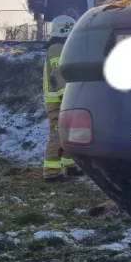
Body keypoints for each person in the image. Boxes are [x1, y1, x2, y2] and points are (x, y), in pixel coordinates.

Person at [42, 15, 79, 180]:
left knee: (68, 133)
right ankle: (51, 172)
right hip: (57, 100)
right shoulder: (56, 48)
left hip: (63, 98)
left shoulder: (61, 47)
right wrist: (66, 96)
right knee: (57, 134)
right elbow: (59, 75)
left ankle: (69, 165)